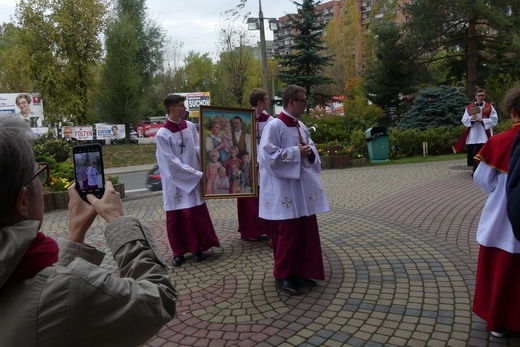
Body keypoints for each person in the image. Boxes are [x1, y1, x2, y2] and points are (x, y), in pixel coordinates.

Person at [0, 116, 177, 346]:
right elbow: (160, 299)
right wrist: (117, 220)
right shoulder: (71, 290)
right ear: (23, 202)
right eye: (37, 176)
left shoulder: (18, 272)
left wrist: (75, 235)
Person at [258, 85, 329, 296]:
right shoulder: (274, 126)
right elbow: (268, 157)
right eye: (303, 101)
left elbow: (312, 147)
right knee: (287, 235)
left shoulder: (301, 126)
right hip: (283, 191)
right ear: (291, 102)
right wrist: (295, 152)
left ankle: (298, 271)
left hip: (301, 190)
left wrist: (309, 152)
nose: (305, 104)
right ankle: (283, 275)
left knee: (304, 233)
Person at [472, 86, 520, 338]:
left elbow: (483, 180)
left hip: (504, 219)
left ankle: (499, 322)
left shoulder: (500, 142)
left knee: (502, 270)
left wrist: (499, 188)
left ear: (513, 112)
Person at [155, 94, 220, 267]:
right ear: (172, 109)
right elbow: (169, 162)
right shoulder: (162, 134)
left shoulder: (190, 126)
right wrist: (195, 174)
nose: (185, 108)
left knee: (194, 215)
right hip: (175, 181)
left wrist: (206, 161)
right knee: (177, 217)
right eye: (181, 105)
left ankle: (197, 248)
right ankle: (179, 252)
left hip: (193, 175)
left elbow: (197, 148)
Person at [237, 88, 274, 241]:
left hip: (263, 165)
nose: (269, 102)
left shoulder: (270, 121)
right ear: (259, 102)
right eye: (266, 99)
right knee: (248, 199)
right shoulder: (244, 119)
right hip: (247, 163)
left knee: (264, 196)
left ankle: (266, 228)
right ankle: (249, 230)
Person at [453, 88, 498, 175]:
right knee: (474, 154)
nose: (481, 97)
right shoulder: (470, 107)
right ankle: (475, 170)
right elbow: (464, 119)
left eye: (482, 95)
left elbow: (494, 119)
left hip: (485, 135)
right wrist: (471, 119)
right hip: (474, 135)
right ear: (475, 96)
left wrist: (484, 121)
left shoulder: (489, 107)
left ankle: (484, 171)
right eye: (479, 95)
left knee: (485, 154)